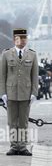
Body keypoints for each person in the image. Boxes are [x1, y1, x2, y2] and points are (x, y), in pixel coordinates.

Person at [0, 28, 38, 156]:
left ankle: (22, 146)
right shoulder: (6, 54)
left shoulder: (32, 55)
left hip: (25, 93)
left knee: (23, 122)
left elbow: (34, 75)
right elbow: (2, 75)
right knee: (12, 122)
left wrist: (34, 92)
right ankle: (13, 146)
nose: (22, 41)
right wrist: (2, 93)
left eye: (24, 38)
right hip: (10, 93)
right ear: (14, 39)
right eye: (19, 38)